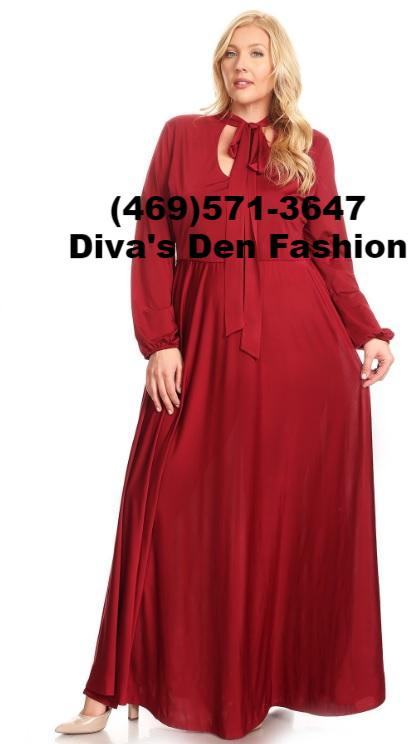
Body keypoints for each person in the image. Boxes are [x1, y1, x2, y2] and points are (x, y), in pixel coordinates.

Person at [55, 9, 395, 740]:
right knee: (163, 500)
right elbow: (153, 237)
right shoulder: (181, 136)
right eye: (232, 53)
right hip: (203, 345)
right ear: (220, 65)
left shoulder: (311, 148)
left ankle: (264, 678)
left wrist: (367, 331)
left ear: (279, 67)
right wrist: (160, 341)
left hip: (301, 356)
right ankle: (112, 688)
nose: (243, 64)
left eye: (257, 53)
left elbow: (330, 250)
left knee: (272, 519)